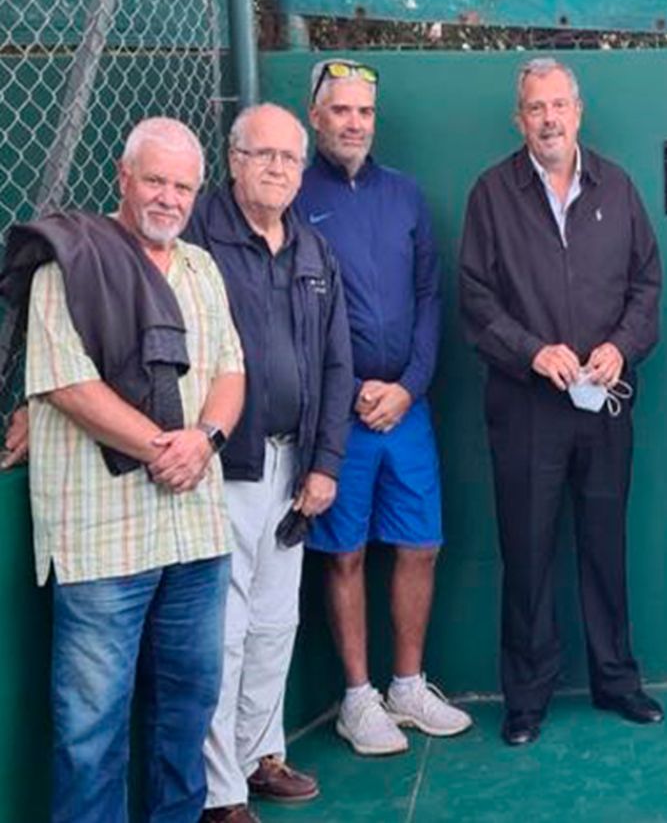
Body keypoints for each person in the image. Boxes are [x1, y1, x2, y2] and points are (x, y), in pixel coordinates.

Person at [6, 117, 246, 822]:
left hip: (196, 534)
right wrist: (164, 447)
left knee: (187, 709)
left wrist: (204, 439)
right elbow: (67, 386)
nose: (168, 198)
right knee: (89, 731)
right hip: (101, 541)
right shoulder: (69, 261)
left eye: (182, 186)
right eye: (155, 181)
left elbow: (232, 370)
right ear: (123, 178)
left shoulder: (202, 268)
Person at [458, 57, 664, 747]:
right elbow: (476, 300)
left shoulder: (618, 187)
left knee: (606, 548)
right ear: (520, 120)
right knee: (527, 552)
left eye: (558, 106)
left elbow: (646, 285)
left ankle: (617, 680)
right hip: (525, 410)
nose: (548, 119)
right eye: (535, 109)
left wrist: (621, 348)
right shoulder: (491, 194)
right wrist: (530, 352)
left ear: (579, 112)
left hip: (604, 407)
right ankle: (527, 697)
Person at [294, 60, 472, 757]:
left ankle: (406, 686)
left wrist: (410, 386)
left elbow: (430, 295)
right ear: (317, 118)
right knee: (343, 556)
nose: (354, 123)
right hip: (338, 416)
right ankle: (358, 700)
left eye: (365, 112)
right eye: (341, 111)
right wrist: (352, 391)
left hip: (406, 408)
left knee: (420, 545)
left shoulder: (405, 194)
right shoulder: (296, 193)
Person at [185, 104, 354, 822]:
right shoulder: (198, 237)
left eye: (289, 157)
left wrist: (326, 464)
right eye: (264, 155)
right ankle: (219, 791)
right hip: (223, 467)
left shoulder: (312, 252)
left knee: (274, 624)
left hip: (295, 471)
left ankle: (261, 756)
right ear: (233, 161)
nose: (279, 169)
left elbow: (337, 361)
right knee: (219, 633)